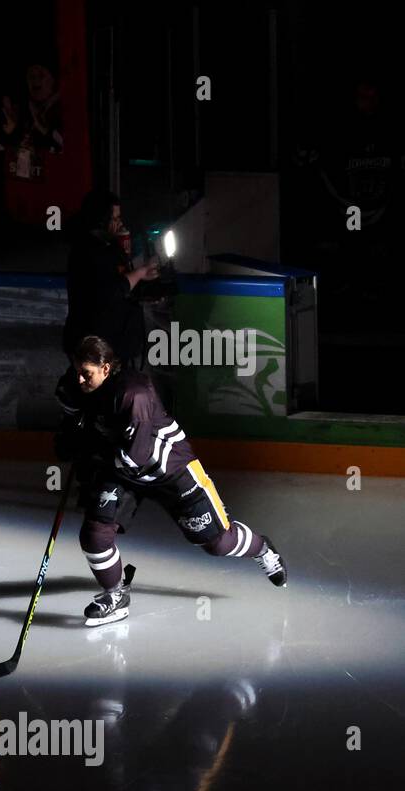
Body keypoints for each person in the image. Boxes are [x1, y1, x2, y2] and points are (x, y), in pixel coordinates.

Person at [55, 335, 287, 627]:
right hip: (122, 471)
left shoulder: (133, 394)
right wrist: (70, 437)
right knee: (95, 535)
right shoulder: (74, 386)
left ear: (105, 367)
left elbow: (134, 457)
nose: (78, 379)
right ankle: (115, 595)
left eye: (85, 373)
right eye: (76, 370)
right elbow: (72, 427)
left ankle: (262, 549)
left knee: (218, 543)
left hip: (171, 471)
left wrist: (89, 454)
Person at [64, 190, 160, 367]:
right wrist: (139, 273)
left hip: (106, 346)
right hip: (95, 350)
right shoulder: (90, 252)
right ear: (101, 220)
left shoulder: (104, 247)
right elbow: (113, 289)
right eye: (114, 219)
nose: (119, 223)